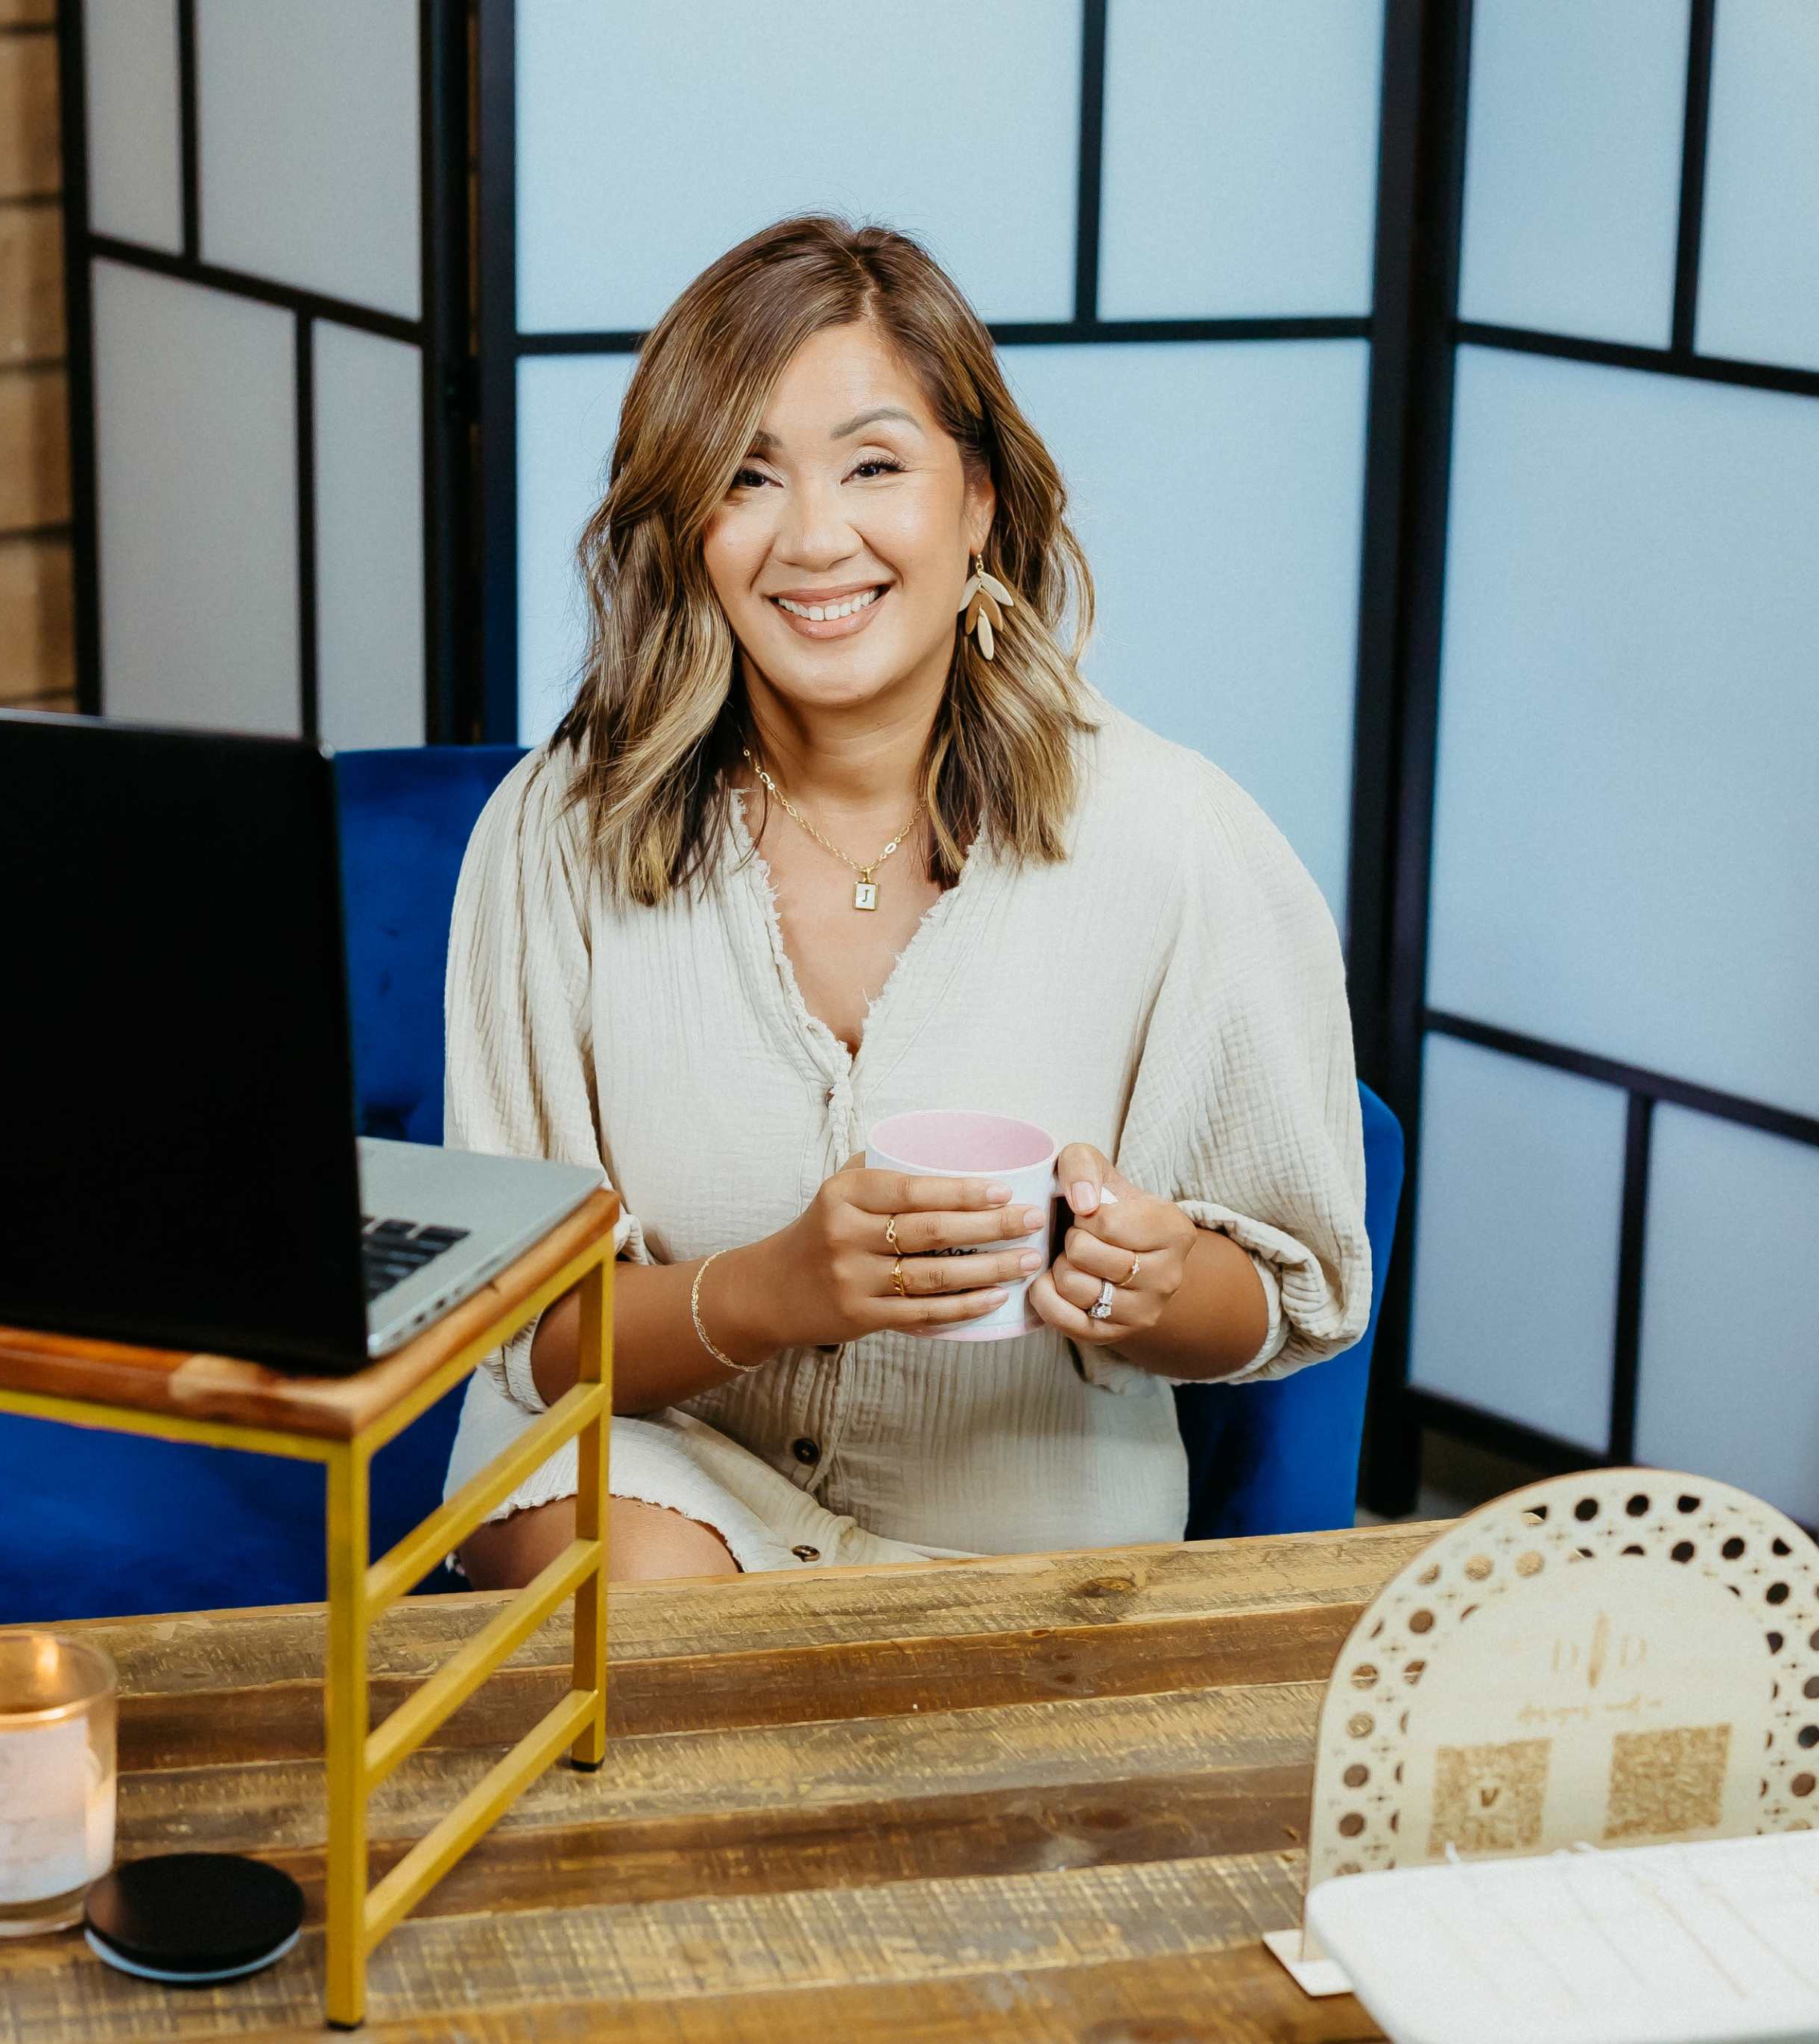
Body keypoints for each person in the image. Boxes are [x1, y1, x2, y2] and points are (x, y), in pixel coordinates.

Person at [449, 216, 1371, 1588]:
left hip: (1020, 1535)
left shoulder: (1182, 844)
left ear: (980, 498)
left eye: (875, 465)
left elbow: (1285, 1298)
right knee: (661, 1623)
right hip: (649, 1469)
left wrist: (1158, 1285)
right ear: (687, 522)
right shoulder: (561, 830)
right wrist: (780, 1292)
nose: (817, 540)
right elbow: (519, 1334)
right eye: (747, 479)